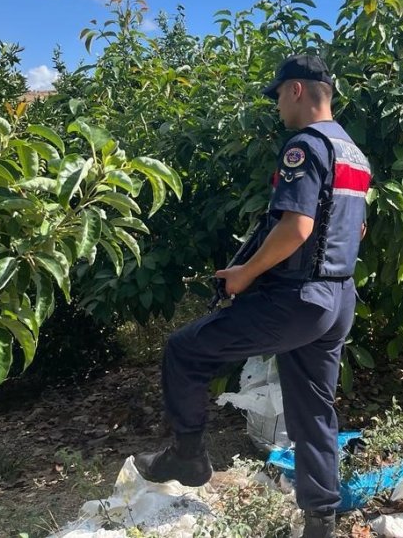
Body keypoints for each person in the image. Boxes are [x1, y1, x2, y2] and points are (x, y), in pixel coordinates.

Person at [136, 55, 371, 538]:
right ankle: (320, 520)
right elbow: (357, 227)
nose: (277, 106)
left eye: (279, 94)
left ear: (298, 90)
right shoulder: (352, 152)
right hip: (339, 296)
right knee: (313, 409)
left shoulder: (304, 146)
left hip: (298, 298)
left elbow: (297, 226)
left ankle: (188, 456)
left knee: (184, 350)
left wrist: (246, 272)